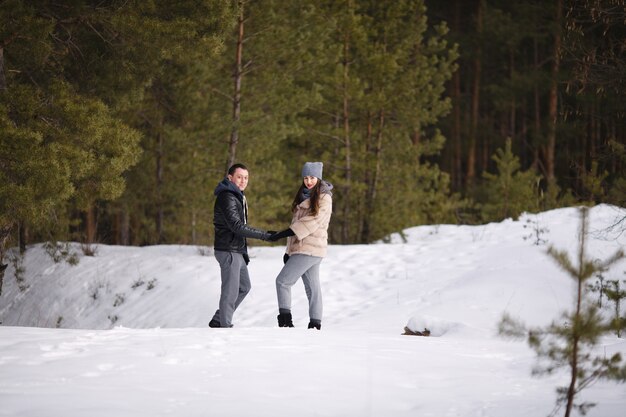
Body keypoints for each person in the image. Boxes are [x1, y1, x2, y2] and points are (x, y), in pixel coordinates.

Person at [268, 162, 333, 330]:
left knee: (282, 282)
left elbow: (311, 222)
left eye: (312, 177)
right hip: (305, 249)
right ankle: (315, 324)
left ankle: (286, 321)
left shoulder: (324, 198)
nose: (309, 181)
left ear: (318, 178)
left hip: (310, 249)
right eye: (306, 178)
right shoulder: (304, 196)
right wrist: (289, 251)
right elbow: (297, 223)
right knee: (312, 288)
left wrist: (282, 234)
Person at [209, 163, 273, 328]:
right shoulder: (227, 197)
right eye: (239, 177)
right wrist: (264, 235)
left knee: (244, 287)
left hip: (236, 249)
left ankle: (219, 319)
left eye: (246, 177)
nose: (243, 180)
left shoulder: (237, 196)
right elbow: (237, 226)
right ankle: (224, 326)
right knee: (230, 292)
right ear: (230, 178)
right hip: (228, 250)